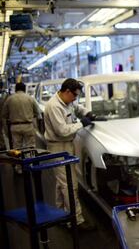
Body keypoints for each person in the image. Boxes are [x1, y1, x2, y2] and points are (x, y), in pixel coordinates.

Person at [43, 78, 95, 231]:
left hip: (67, 146)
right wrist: (81, 123)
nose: (75, 99)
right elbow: (62, 130)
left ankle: (61, 215)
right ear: (66, 92)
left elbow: (77, 108)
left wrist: (88, 113)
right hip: (58, 147)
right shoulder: (53, 106)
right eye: (74, 95)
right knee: (70, 185)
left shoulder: (67, 101)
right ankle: (77, 221)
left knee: (62, 184)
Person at [2, 82, 41, 173]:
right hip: (28, 125)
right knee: (30, 147)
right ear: (24, 89)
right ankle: (30, 165)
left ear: (16, 89)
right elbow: (38, 113)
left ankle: (19, 168)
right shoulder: (30, 98)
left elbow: (4, 115)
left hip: (15, 126)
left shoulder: (10, 99)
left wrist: (6, 130)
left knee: (17, 148)